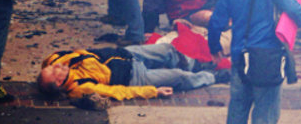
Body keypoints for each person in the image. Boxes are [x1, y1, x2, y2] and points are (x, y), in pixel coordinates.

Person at [208, 0, 301, 124]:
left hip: (239, 56)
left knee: (237, 110)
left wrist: (214, 47)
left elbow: (216, 20)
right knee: (265, 114)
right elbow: (292, 8)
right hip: (266, 58)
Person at [37, 43, 227, 100]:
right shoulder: (80, 87)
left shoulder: (60, 62)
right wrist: (153, 92)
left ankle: (198, 65)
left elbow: (53, 59)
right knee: (178, 76)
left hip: (127, 55)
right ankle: (212, 76)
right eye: (53, 71)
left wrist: (56, 64)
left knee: (167, 49)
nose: (54, 65)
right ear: (60, 82)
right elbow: (118, 92)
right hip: (134, 77)